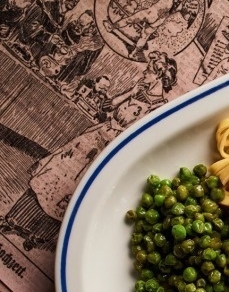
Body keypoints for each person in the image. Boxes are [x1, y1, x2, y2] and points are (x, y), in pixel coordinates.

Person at [0, 97, 147, 252]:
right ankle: (13, 221)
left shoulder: (121, 139)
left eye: (135, 112)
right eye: (128, 107)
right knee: (40, 188)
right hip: (65, 164)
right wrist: (51, 160)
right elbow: (76, 142)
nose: (127, 110)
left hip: (80, 175)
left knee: (62, 206)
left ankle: (37, 236)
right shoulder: (103, 125)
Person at [16, 0, 83, 65]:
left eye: (77, 0)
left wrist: (59, 47)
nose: (74, 0)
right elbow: (28, 27)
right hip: (19, 50)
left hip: (33, 59)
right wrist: (48, 37)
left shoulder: (61, 18)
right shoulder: (45, 5)